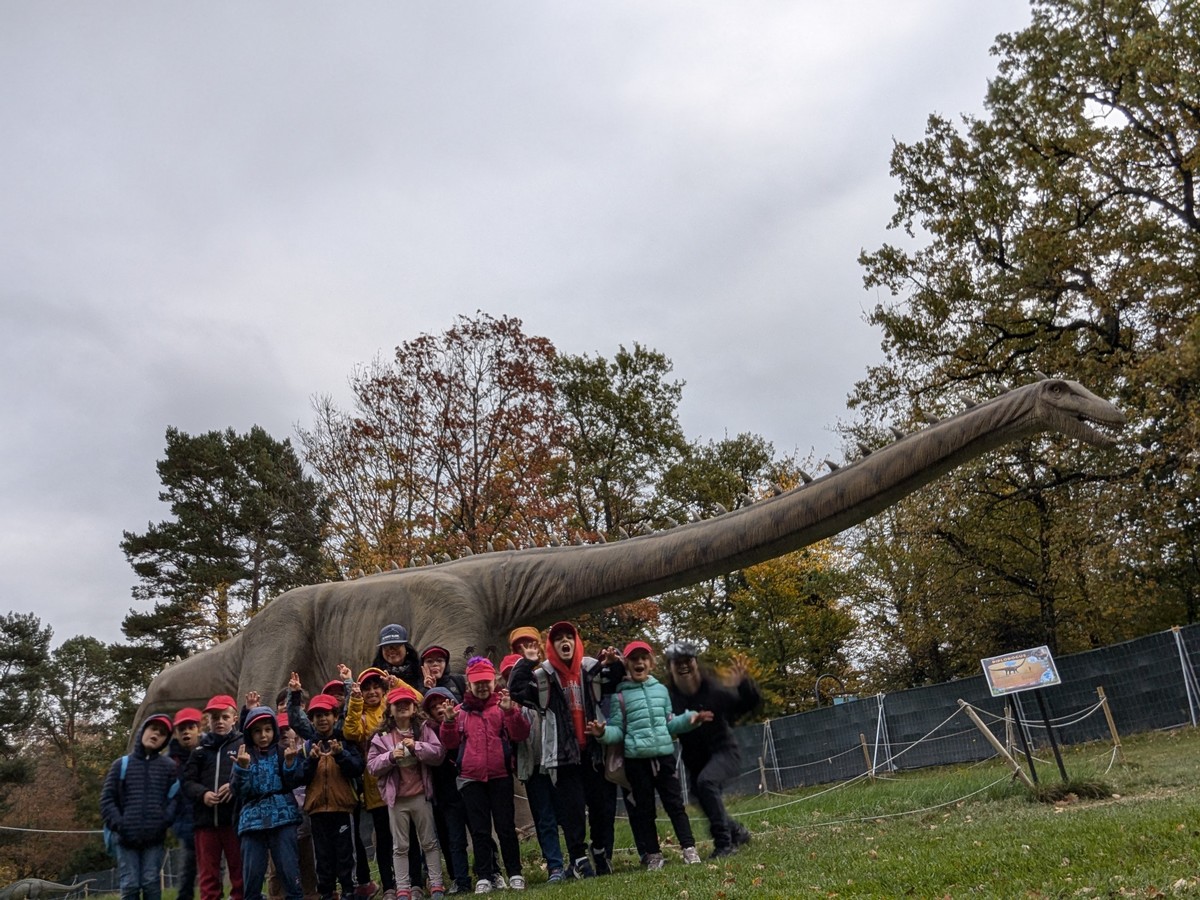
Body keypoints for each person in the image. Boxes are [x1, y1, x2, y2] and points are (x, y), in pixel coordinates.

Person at [507, 621, 623, 878]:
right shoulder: (543, 676)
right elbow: (516, 690)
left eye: (568, 636)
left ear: (576, 640)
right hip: (563, 756)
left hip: (594, 753)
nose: (564, 642)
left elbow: (614, 682)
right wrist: (526, 661)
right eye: (558, 638)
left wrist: (616, 662)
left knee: (602, 808)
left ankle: (601, 851)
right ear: (552, 645)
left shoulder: (592, 668)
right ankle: (579, 859)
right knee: (572, 812)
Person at [589, 641, 708, 869]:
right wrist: (602, 733)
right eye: (634, 659)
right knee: (644, 811)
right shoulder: (619, 697)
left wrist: (689, 719)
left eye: (644, 658)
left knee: (675, 805)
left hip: (664, 758)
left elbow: (669, 724)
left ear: (651, 663)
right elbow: (618, 731)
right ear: (627, 664)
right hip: (636, 762)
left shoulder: (661, 690)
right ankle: (653, 854)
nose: (639, 663)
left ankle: (689, 848)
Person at [439, 657, 529, 894]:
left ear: (494, 681)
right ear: (468, 684)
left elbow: (520, 734)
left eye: (486, 682)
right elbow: (449, 743)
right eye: (477, 682)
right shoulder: (459, 712)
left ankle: (515, 872)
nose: (482, 687)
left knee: (505, 827)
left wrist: (511, 713)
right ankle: (485, 875)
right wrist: (448, 722)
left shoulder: (503, 706)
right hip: (471, 778)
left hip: (500, 775)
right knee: (479, 830)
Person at [664, 641, 760, 858]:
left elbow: (747, 706)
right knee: (700, 796)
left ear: (696, 662)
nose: (683, 666)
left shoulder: (714, 691)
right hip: (695, 760)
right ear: (670, 668)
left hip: (724, 752)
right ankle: (736, 831)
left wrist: (743, 684)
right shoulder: (670, 698)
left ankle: (725, 845)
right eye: (677, 663)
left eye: (688, 661)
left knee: (706, 783)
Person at [367, 683, 447, 900]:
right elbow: (372, 766)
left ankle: (437, 884)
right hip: (397, 799)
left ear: (414, 708)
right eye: (397, 704)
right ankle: (403, 888)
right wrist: (391, 756)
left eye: (407, 703)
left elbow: (439, 753)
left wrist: (417, 747)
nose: (402, 707)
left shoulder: (423, 729)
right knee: (400, 846)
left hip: (421, 795)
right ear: (390, 709)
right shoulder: (381, 736)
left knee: (429, 841)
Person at [500, 636, 564, 884]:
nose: (512, 680)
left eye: (514, 673)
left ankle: (577, 860)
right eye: (507, 675)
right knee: (544, 819)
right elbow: (518, 734)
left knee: (566, 815)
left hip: (556, 764)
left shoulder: (541, 695)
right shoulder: (509, 707)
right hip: (533, 769)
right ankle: (555, 866)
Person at [100, 712, 180, 900]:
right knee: (130, 885)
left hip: (154, 838)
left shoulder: (168, 767)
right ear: (143, 730)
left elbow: (175, 798)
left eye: (161, 733)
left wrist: (164, 821)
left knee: (151, 883)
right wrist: (120, 824)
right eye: (153, 729)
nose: (155, 734)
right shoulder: (121, 764)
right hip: (125, 838)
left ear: (165, 740)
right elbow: (107, 799)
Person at [231, 704, 305, 900]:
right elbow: (238, 791)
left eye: (267, 729)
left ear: (274, 730)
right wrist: (242, 769)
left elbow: (293, 782)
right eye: (257, 731)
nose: (263, 735)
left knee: (290, 871)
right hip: (252, 822)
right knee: (252, 876)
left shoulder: (283, 752)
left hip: (283, 817)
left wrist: (290, 764)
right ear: (249, 733)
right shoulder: (243, 756)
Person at [301, 693, 365, 900]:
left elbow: (357, 768)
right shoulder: (307, 746)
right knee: (322, 855)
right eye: (317, 715)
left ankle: (349, 890)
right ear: (311, 720)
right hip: (317, 810)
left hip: (342, 808)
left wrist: (340, 755)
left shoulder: (345, 742)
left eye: (326, 714)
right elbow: (299, 777)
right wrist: (310, 761)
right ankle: (326, 892)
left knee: (345, 853)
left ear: (335, 717)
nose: (322, 719)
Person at [183, 694, 245, 900]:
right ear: (208, 720)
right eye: (215, 717)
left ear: (234, 719)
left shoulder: (243, 744)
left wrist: (234, 785)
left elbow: (252, 773)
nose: (219, 721)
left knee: (240, 873)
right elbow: (187, 782)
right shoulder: (199, 751)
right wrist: (203, 794)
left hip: (235, 821)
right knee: (208, 877)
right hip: (205, 823)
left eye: (225, 717)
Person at [342, 667, 394, 900]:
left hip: (403, 783)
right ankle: (389, 884)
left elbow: (418, 700)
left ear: (383, 690)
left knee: (408, 838)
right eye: (366, 689)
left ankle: (413, 879)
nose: (372, 692)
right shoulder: (360, 715)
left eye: (376, 687)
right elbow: (351, 732)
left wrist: (397, 683)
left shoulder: (391, 708)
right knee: (383, 840)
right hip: (375, 787)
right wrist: (354, 699)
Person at [419, 688, 471, 896]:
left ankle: (490, 871)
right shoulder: (427, 732)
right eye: (433, 706)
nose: (439, 708)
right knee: (453, 838)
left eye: (443, 702)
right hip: (444, 793)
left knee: (479, 831)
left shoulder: (464, 721)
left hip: (469, 785)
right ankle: (460, 878)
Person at [168, 708, 203, 900]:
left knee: (213, 873)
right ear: (176, 732)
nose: (186, 732)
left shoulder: (209, 752)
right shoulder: (170, 762)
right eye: (182, 729)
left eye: (191, 727)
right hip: (185, 826)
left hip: (210, 823)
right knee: (186, 876)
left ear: (199, 728)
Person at [372, 624, 422, 689]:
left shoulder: (420, 670)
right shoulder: (375, 675)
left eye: (396, 645)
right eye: (386, 647)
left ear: (406, 647)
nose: (391, 650)